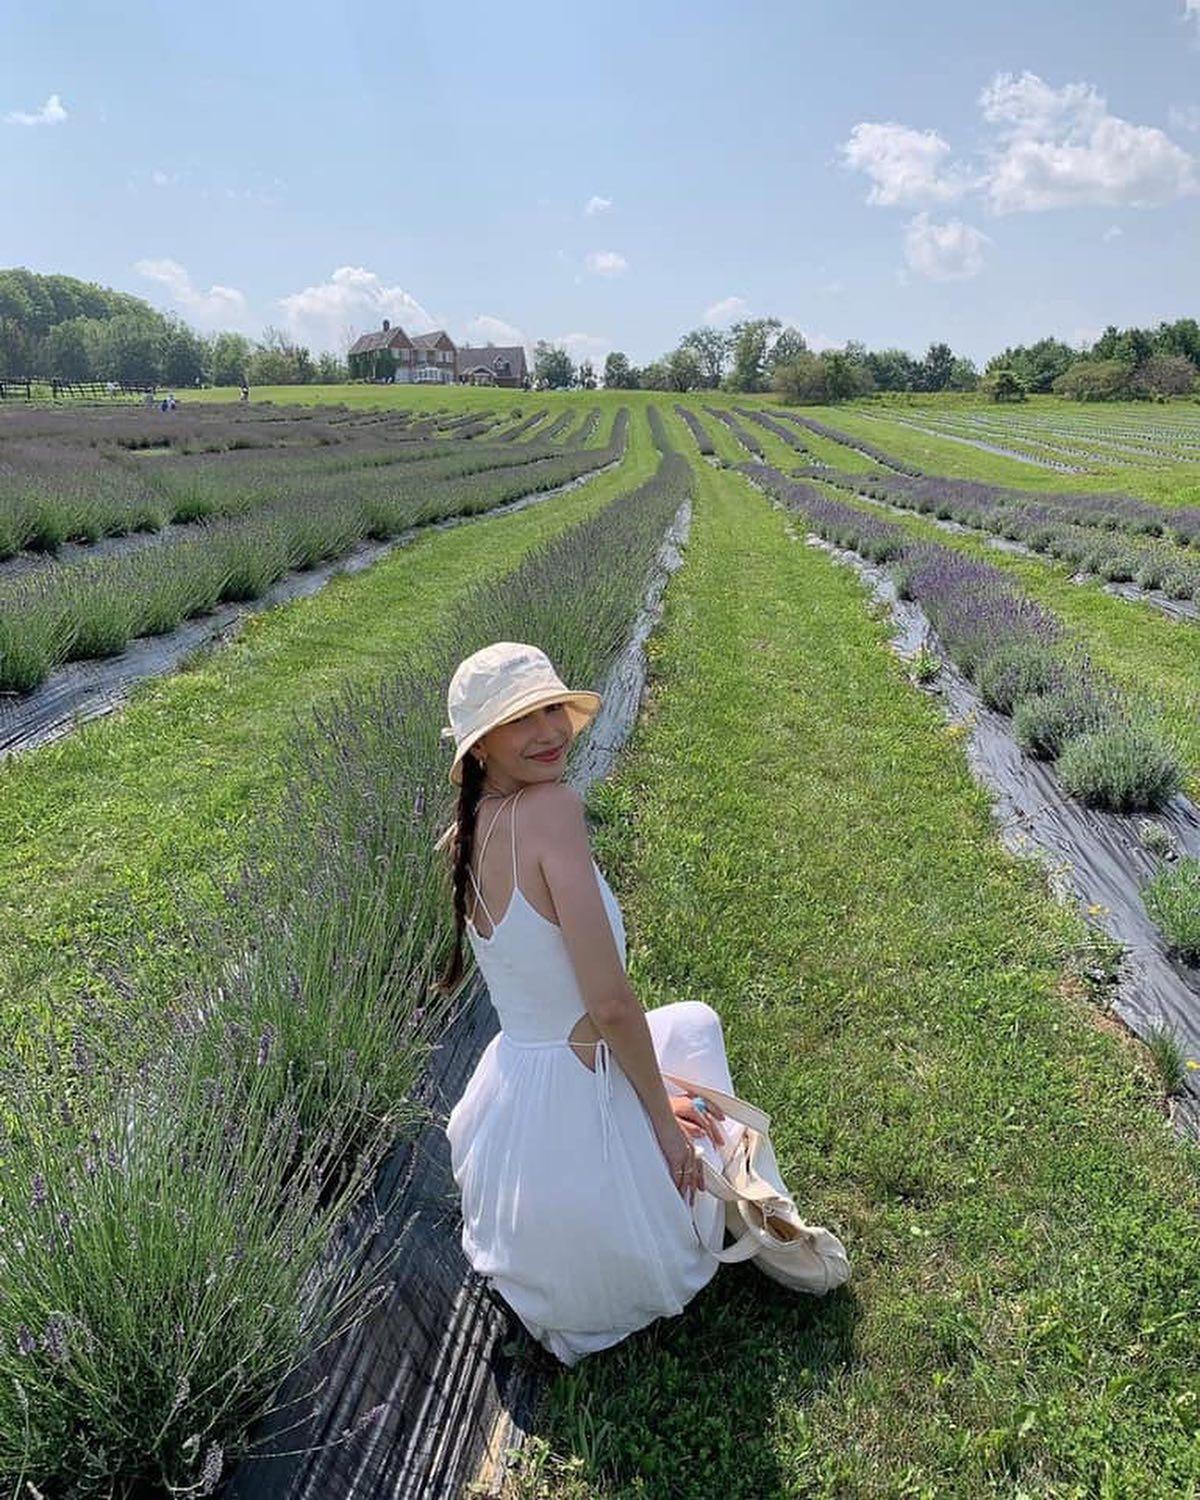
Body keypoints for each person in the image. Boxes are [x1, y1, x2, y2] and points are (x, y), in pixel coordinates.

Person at [438, 640, 752, 1366]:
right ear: (481, 744)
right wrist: (663, 1125)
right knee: (697, 1045)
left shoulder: (465, 834)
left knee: (686, 1029)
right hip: (582, 1083)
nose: (550, 731)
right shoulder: (552, 811)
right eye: (522, 719)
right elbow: (609, 1004)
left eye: (552, 709)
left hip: (523, 1100)